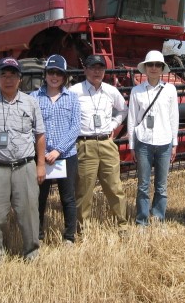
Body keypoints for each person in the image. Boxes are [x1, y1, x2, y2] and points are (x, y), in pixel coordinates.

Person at [0, 57, 46, 265]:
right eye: (3, 74)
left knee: (29, 213)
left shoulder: (30, 102)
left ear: (20, 79)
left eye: (12, 75)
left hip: (25, 166)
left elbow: (40, 134)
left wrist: (40, 165)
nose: (8, 79)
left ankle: (31, 253)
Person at [70, 54, 128, 234]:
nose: (97, 71)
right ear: (85, 70)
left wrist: (112, 125)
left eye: (100, 68)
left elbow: (123, 110)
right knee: (84, 190)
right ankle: (82, 228)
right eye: (93, 67)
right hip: (84, 144)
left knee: (115, 187)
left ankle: (121, 225)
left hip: (106, 143)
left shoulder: (111, 91)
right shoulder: (74, 91)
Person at [30, 55, 81, 244]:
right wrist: (41, 153)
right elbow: (29, 126)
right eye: (51, 72)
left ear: (64, 76)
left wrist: (58, 150)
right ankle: (38, 235)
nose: (54, 76)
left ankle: (69, 236)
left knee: (68, 197)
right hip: (41, 157)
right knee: (39, 198)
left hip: (66, 155)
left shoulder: (72, 98)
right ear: (45, 74)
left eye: (59, 73)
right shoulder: (33, 98)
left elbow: (75, 127)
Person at [127, 50, 178, 227]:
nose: (154, 68)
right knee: (143, 185)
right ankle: (142, 220)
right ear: (145, 68)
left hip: (164, 142)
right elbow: (132, 119)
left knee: (162, 185)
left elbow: (174, 118)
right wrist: (132, 145)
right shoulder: (137, 91)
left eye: (158, 65)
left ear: (162, 68)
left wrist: (175, 144)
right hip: (143, 143)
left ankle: (158, 218)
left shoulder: (170, 89)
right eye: (151, 65)